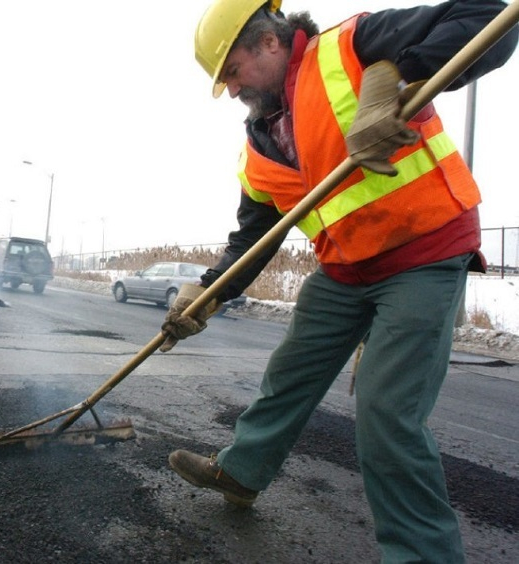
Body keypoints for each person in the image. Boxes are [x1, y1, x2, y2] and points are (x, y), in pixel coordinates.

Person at [160, 1, 517, 562]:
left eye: (232, 72)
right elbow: (253, 239)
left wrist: (393, 74)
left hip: (423, 251)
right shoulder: (259, 146)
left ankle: (422, 554)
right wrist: (206, 293)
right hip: (346, 270)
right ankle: (242, 472)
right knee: (290, 372)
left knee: (386, 412)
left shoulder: (354, 45)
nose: (231, 91)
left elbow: (491, 19)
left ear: (268, 43)